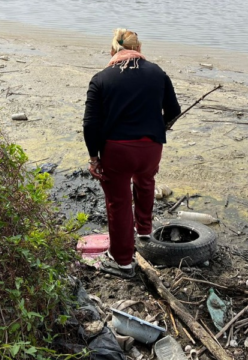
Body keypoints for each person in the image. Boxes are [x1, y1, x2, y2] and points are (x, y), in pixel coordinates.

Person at [82, 28, 181, 278]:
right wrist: (162, 123)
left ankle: (123, 261)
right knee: (146, 182)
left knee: (119, 202)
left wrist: (94, 156)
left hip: (117, 151)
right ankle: (145, 230)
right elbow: (174, 110)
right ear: (138, 49)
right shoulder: (157, 73)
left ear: (113, 49)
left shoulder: (101, 78)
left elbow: (90, 124)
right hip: (150, 148)